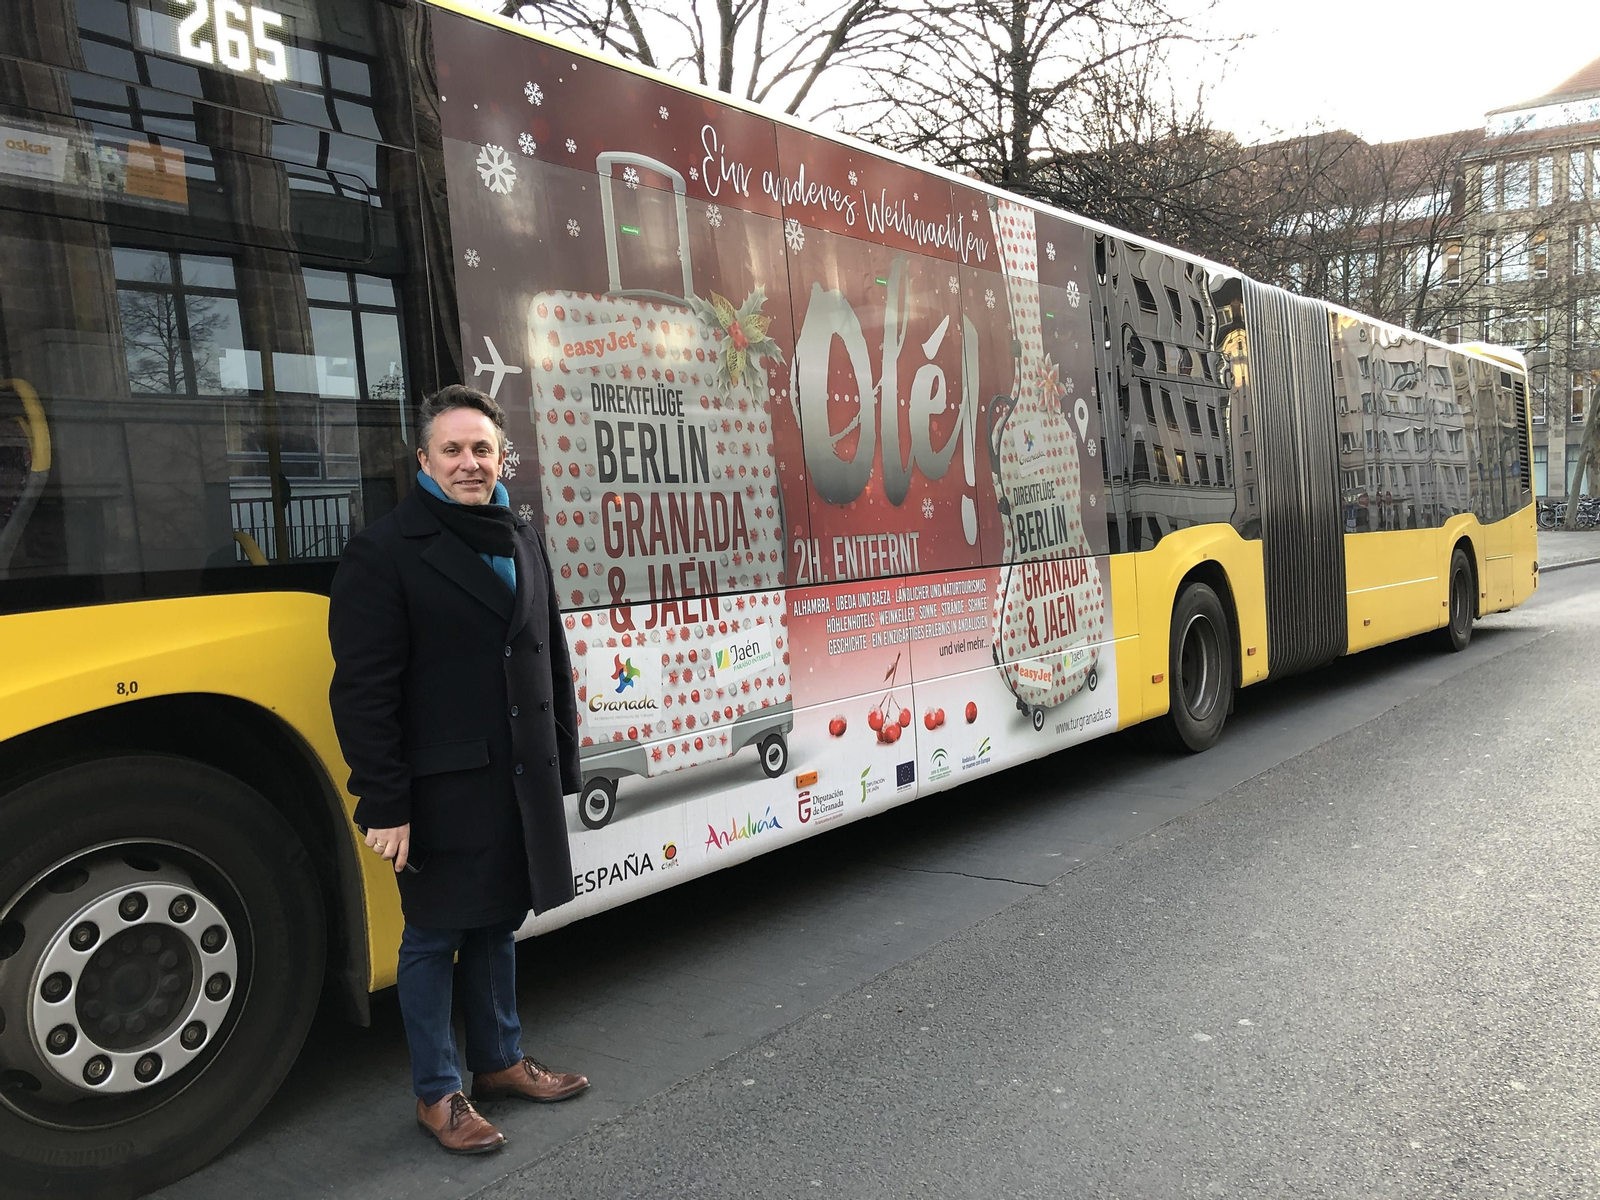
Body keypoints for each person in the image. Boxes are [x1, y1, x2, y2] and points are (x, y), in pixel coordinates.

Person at [328, 384, 588, 1154]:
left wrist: (561, 763)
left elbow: (553, 660)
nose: (470, 463)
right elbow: (363, 694)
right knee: (434, 938)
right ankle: (439, 1094)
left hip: (516, 778)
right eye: (453, 449)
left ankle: (499, 1061)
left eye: (482, 449)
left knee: (499, 920)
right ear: (424, 460)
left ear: (500, 456)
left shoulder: (520, 535)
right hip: (438, 790)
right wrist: (385, 802)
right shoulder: (384, 552)